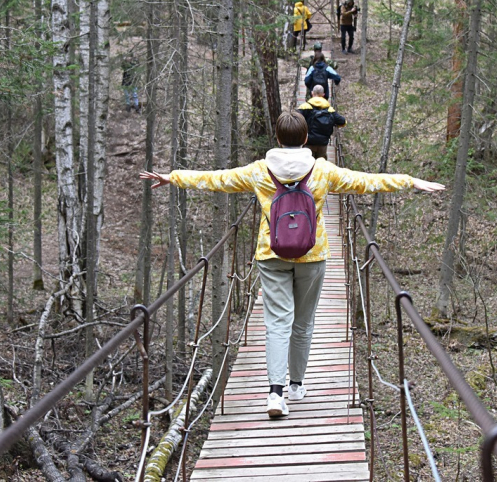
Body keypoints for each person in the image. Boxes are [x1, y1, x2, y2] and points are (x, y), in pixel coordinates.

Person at [139, 112, 443, 419]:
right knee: (304, 323)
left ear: (278, 137)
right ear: (307, 138)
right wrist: (409, 181)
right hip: (313, 255)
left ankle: (275, 393)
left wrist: (172, 177)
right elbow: (364, 182)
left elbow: (217, 178)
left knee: (277, 323)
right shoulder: (321, 170)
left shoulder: (259, 171)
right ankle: (297, 385)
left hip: (271, 255)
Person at [298, 85, 345, 160]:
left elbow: (295, 121)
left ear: (312, 93)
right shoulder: (330, 110)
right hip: (323, 144)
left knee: (308, 166)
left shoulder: (305, 107)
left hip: (308, 142)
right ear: (323, 94)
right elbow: (343, 121)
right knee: (321, 166)